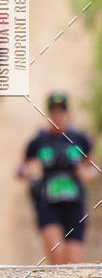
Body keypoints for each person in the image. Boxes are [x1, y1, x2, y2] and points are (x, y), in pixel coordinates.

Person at [17, 92, 98, 264]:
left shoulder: (80, 139)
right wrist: (30, 171)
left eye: (61, 112)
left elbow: (94, 167)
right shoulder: (38, 142)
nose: (58, 116)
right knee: (57, 253)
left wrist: (85, 174)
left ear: (68, 113)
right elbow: (21, 170)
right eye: (54, 112)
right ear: (48, 113)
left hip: (74, 203)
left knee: (74, 261)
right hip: (48, 203)